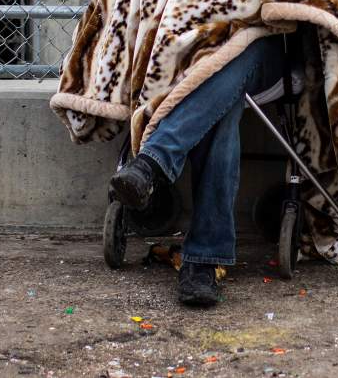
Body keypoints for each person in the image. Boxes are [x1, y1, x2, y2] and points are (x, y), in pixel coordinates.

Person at [107, 34, 294, 308]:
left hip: (262, 47)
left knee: (231, 61)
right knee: (222, 105)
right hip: (192, 49)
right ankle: (203, 260)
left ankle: (152, 162)